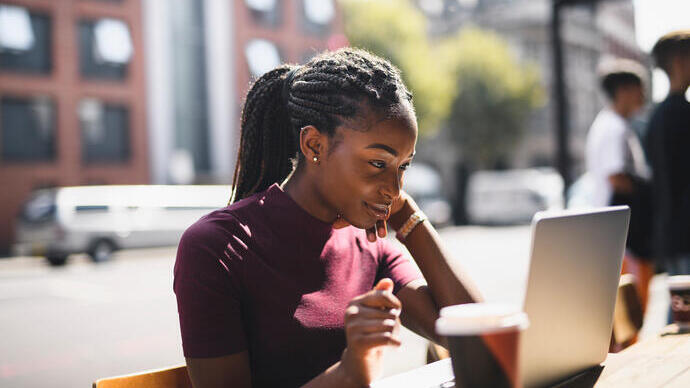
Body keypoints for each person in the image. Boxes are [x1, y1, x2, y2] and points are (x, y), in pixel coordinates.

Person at [173, 48, 482, 388]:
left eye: (403, 166)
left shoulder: (370, 247)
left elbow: (480, 339)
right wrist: (350, 371)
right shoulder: (218, 247)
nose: (394, 188)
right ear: (314, 145)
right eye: (379, 164)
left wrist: (407, 215)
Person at [585, 59, 653, 314]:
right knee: (630, 313)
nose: (644, 94)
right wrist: (648, 192)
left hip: (618, 234)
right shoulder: (613, 128)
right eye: (639, 88)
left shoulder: (612, 124)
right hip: (624, 236)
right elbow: (616, 177)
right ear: (623, 90)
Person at [646, 31, 690, 281]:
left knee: (679, 310)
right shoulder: (682, 114)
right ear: (678, 61)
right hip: (685, 235)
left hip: (670, 234)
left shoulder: (656, 118)